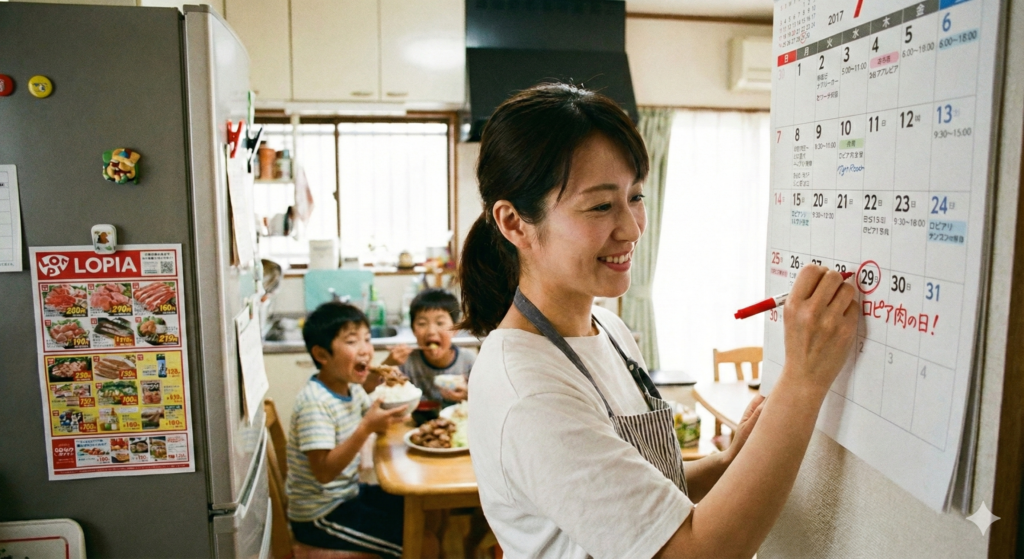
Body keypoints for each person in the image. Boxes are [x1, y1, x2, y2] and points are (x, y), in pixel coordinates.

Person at [460, 83, 859, 559]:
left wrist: (728, 461)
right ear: (513, 223)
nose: (631, 228)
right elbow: (689, 552)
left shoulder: (609, 330)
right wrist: (804, 380)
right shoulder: (527, 390)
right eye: (601, 205)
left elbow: (638, 503)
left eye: (636, 196)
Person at [286, 301, 408, 557]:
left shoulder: (351, 387)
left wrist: (392, 404)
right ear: (322, 355)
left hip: (349, 493)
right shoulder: (315, 403)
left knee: (416, 506)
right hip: (321, 514)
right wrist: (366, 428)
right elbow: (324, 472)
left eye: (367, 338)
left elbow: (374, 410)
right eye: (352, 341)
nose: (365, 349)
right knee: (413, 539)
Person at [379, 288, 476, 404]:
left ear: (455, 329)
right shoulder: (406, 363)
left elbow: (488, 402)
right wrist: (389, 363)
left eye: (440, 323)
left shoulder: (468, 361)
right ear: (413, 330)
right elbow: (371, 390)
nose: (431, 331)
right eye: (422, 324)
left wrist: (468, 396)